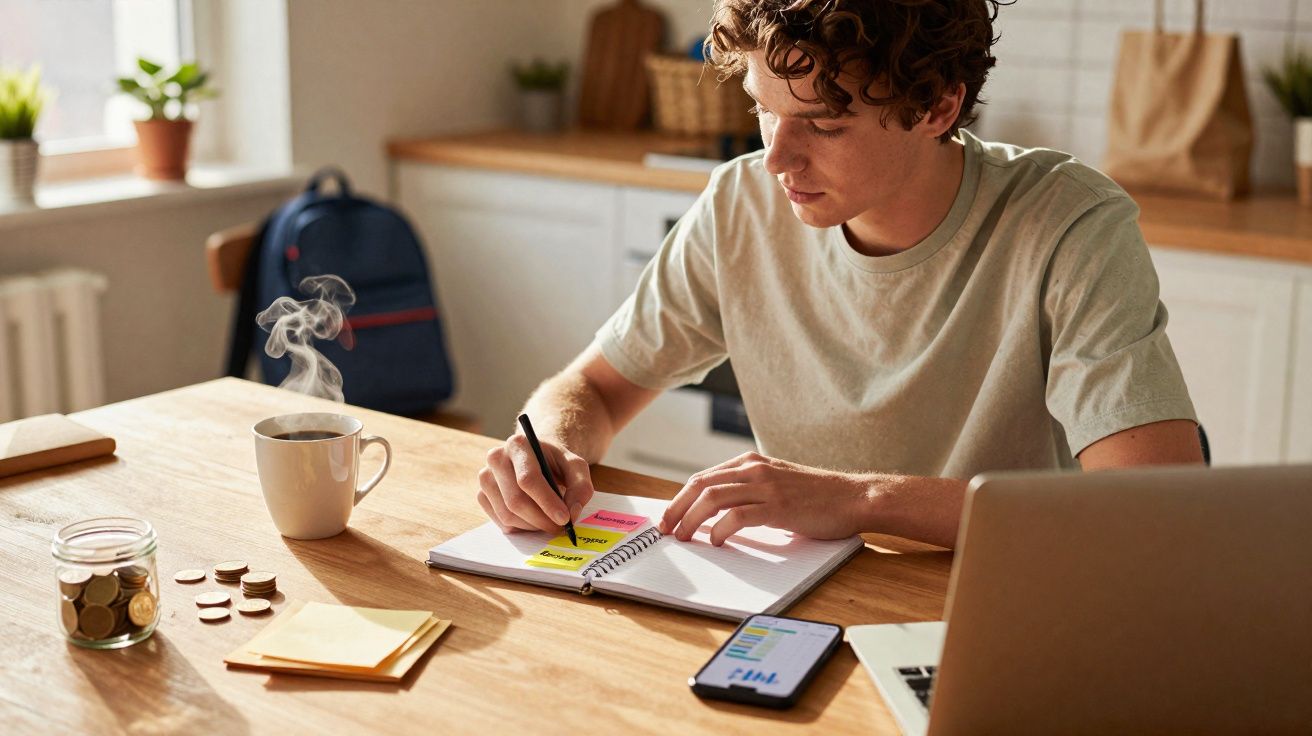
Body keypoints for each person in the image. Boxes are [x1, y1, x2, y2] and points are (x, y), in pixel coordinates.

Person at [475, 0, 1203, 550]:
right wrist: (549, 447)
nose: (778, 160)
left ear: (937, 105)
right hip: (811, 595)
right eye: (764, 111)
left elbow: (1149, 508)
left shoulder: (1068, 224)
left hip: (1004, 595)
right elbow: (593, 390)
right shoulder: (740, 203)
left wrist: (862, 500)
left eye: (823, 125)